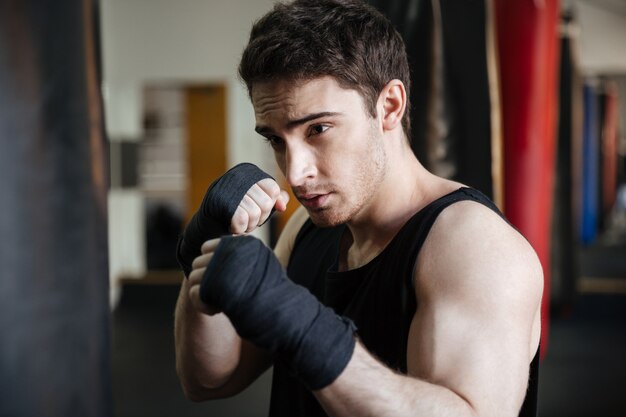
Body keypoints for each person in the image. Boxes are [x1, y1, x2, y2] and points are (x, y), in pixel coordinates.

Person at [174, 0, 543, 416]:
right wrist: (201, 253)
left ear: (389, 106)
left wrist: (308, 333)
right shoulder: (307, 229)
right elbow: (209, 379)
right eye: (276, 140)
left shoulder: (473, 246)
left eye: (318, 129)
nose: (295, 175)